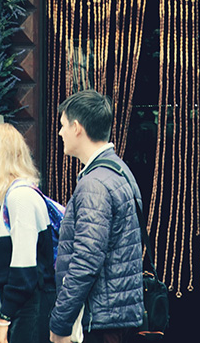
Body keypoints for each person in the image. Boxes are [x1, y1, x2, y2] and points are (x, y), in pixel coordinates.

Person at [49, 90, 143, 343]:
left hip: (100, 321)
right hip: (112, 315)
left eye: (63, 125)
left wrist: (60, 323)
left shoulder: (95, 183)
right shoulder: (118, 169)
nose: (60, 133)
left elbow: (86, 261)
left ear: (77, 128)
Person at [0, 124, 55, 343]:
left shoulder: (20, 198)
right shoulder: (13, 197)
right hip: (25, 309)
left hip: (30, 312)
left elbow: (24, 271)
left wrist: (4, 320)